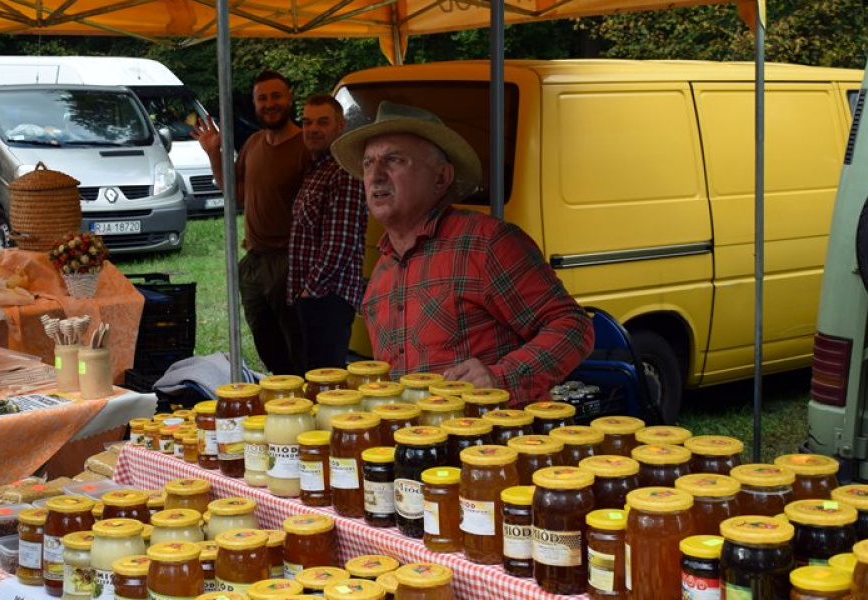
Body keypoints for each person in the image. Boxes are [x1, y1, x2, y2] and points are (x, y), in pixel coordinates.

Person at [331, 102, 595, 406]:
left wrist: (500, 378)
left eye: (394, 160)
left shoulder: (486, 243)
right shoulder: (382, 271)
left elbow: (573, 326)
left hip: (495, 444)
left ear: (441, 177)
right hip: (419, 446)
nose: (375, 176)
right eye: (368, 164)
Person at [194, 70, 312, 375]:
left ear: (289, 99)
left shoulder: (305, 147)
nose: (269, 104)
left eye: (276, 96)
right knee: (267, 345)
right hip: (254, 263)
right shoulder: (255, 143)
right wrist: (214, 154)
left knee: (298, 346)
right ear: (255, 103)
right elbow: (236, 194)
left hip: (291, 261)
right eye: (263, 98)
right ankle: (283, 398)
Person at [287, 95, 368, 370]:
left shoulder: (343, 172)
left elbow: (340, 244)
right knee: (311, 376)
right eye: (307, 122)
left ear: (340, 126)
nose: (313, 129)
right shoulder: (316, 169)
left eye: (323, 122)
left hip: (328, 298)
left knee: (326, 382)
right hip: (314, 297)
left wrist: (311, 291)